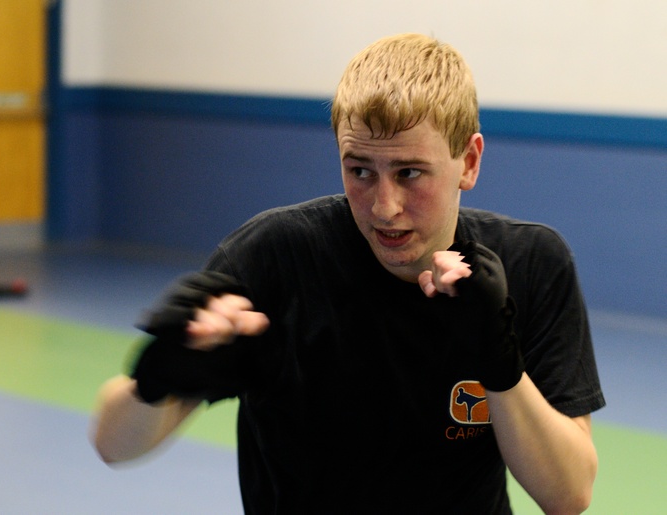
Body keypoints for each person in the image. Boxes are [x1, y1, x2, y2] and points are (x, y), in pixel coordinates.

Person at [91, 33, 605, 514]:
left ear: (468, 162)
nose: (384, 207)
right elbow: (114, 446)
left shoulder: (530, 264)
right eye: (360, 170)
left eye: (409, 173)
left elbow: (569, 494)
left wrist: (498, 359)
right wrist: (158, 375)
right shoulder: (277, 258)